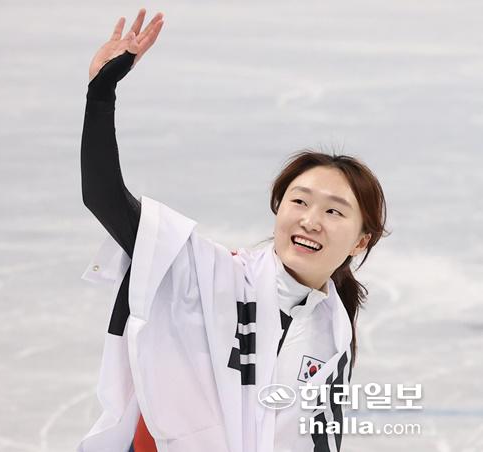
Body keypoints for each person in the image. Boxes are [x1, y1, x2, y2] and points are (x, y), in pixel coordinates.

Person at [78, 8, 389, 452]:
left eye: (334, 212)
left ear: (361, 241)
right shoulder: (204, 275)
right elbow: (104, 197)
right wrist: (101, 93)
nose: (310, 220)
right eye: (299, 201)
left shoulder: (333, 328)